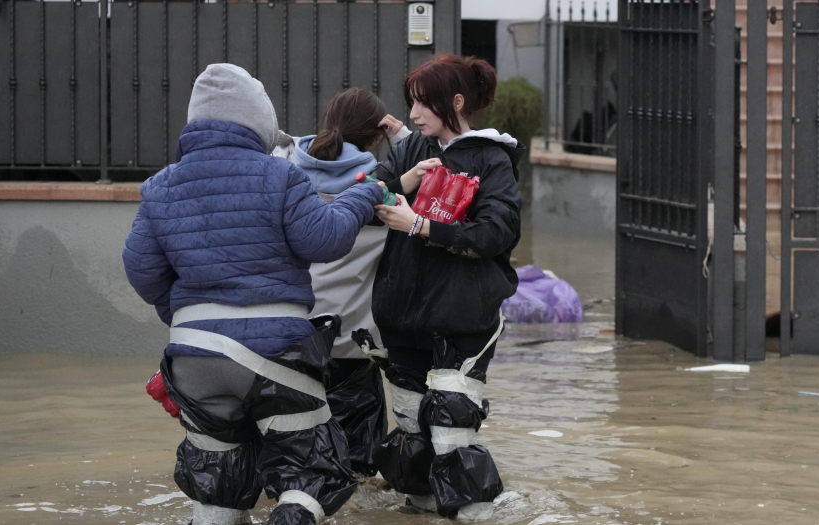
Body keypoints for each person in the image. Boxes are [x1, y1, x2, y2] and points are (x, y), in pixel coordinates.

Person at [122, 63, 383, 525]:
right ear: (260, 120)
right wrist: (361, 197)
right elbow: (323, 240)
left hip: (195, 358)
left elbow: (141, 271)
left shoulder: (160, 185)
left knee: (217, 484)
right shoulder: (279, 176)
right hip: (274, 353)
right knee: (313, 473)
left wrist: (186, 315)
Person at [368, 54, 526, 520]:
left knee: (451, 423)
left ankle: (477, 511)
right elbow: (366, 198)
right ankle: (420, 503)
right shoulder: (410, 151)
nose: (413, 115)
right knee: (412, 424)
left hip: (464, 314)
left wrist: (420, 225)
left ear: (455, 102)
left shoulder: (492, 158)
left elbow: (498, 233)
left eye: (422, 104)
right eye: (411, 103)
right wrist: (400, 182)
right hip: (402, 314)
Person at [272, 87, 410, 477]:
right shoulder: (382, 193)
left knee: (293, 466)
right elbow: (446, 172)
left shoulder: (283, 176)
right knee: (358, 475)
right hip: (353, 348)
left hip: (289, 340)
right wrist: (402, 139)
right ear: (376, 135)